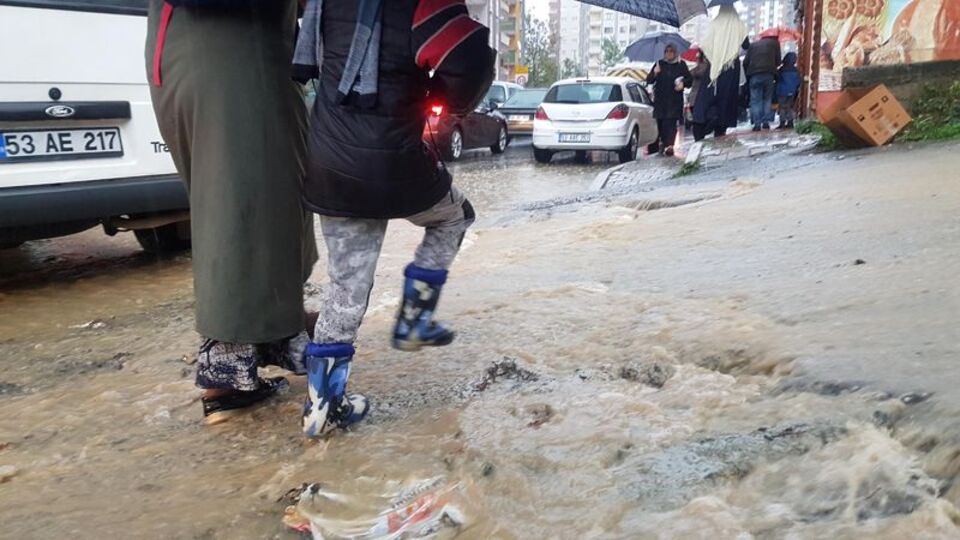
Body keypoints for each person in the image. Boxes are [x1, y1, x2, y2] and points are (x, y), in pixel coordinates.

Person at [293, 0, 495, 438]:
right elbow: (469, 60)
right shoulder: (423, 4)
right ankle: (415, 320)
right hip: (396, 163)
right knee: (453, 218)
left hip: (329, 162)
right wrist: (439, 96)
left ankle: (321, 409)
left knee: (346, 287)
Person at [145, 0, 319, 424]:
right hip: (231, 53)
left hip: (221, 52)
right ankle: (225, 371)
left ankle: (271, 334)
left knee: (259, 198)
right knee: (239, 202)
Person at [646, 44, 692, 156]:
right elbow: (649, 80)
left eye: (671, 51)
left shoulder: (681, 65)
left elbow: (689, 80)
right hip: (661, 101)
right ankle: (662, 143)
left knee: (671, 125)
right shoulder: (659, 64)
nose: (669, 53)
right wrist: (655, 72)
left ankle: (669, 145)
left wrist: (683, 84)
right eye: (666, 51)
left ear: (675, 52)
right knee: (661, 125)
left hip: (674, 101)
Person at [743, 35, 781, 131]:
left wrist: (748, 75)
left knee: (755, 100)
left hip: (754, 75)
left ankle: (757, 124)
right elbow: (778, 61)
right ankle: (765, 123)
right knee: (767, 99)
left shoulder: (753, 45)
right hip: (769, 75)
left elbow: (745, 62)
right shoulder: (775, 44)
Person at [776, 52, 801, 129]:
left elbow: (777, 79)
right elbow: (798, 81)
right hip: (792, 91)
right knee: (789, 106)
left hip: (782, 91)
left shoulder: (781, 70)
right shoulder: (796, 70)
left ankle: (782, 123)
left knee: (782, 107)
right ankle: (790, 122)